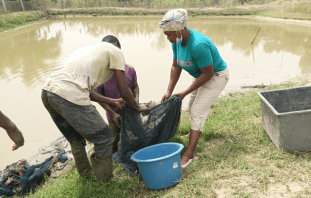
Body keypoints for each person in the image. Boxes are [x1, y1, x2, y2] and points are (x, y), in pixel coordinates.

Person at [41, 35, 148, 182]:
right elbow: (124, 90)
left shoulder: (88, 51)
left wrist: (112, 101)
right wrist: (137, 106)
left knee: (75, 138)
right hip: (68, 94)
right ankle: (106, 180)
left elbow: (87, 91)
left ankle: (86, 174)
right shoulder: (115, 51)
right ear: (116, 44)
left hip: (48, 92)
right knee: (103, 135)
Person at [159, 9, 229, 169]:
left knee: (197, 111)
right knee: (192, 107)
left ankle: (188, 154)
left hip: (216, 77)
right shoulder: (177, 42)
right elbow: (176, 66)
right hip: (202, 75)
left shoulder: (198, 45)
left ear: (178, 30)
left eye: (169, 34)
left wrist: (185, 91)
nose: (168, 38)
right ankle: (193, 133)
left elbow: (208, 73)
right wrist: (169, 91)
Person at [94, 61, 139, 154]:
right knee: (114, 140)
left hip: (130, 109)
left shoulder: (129, 69)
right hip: (113, 112)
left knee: (138, 133)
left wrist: (136, 103)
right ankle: (115, 159)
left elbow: (135, 87)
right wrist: (113, 113)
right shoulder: (101, 74)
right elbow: (98, 97)